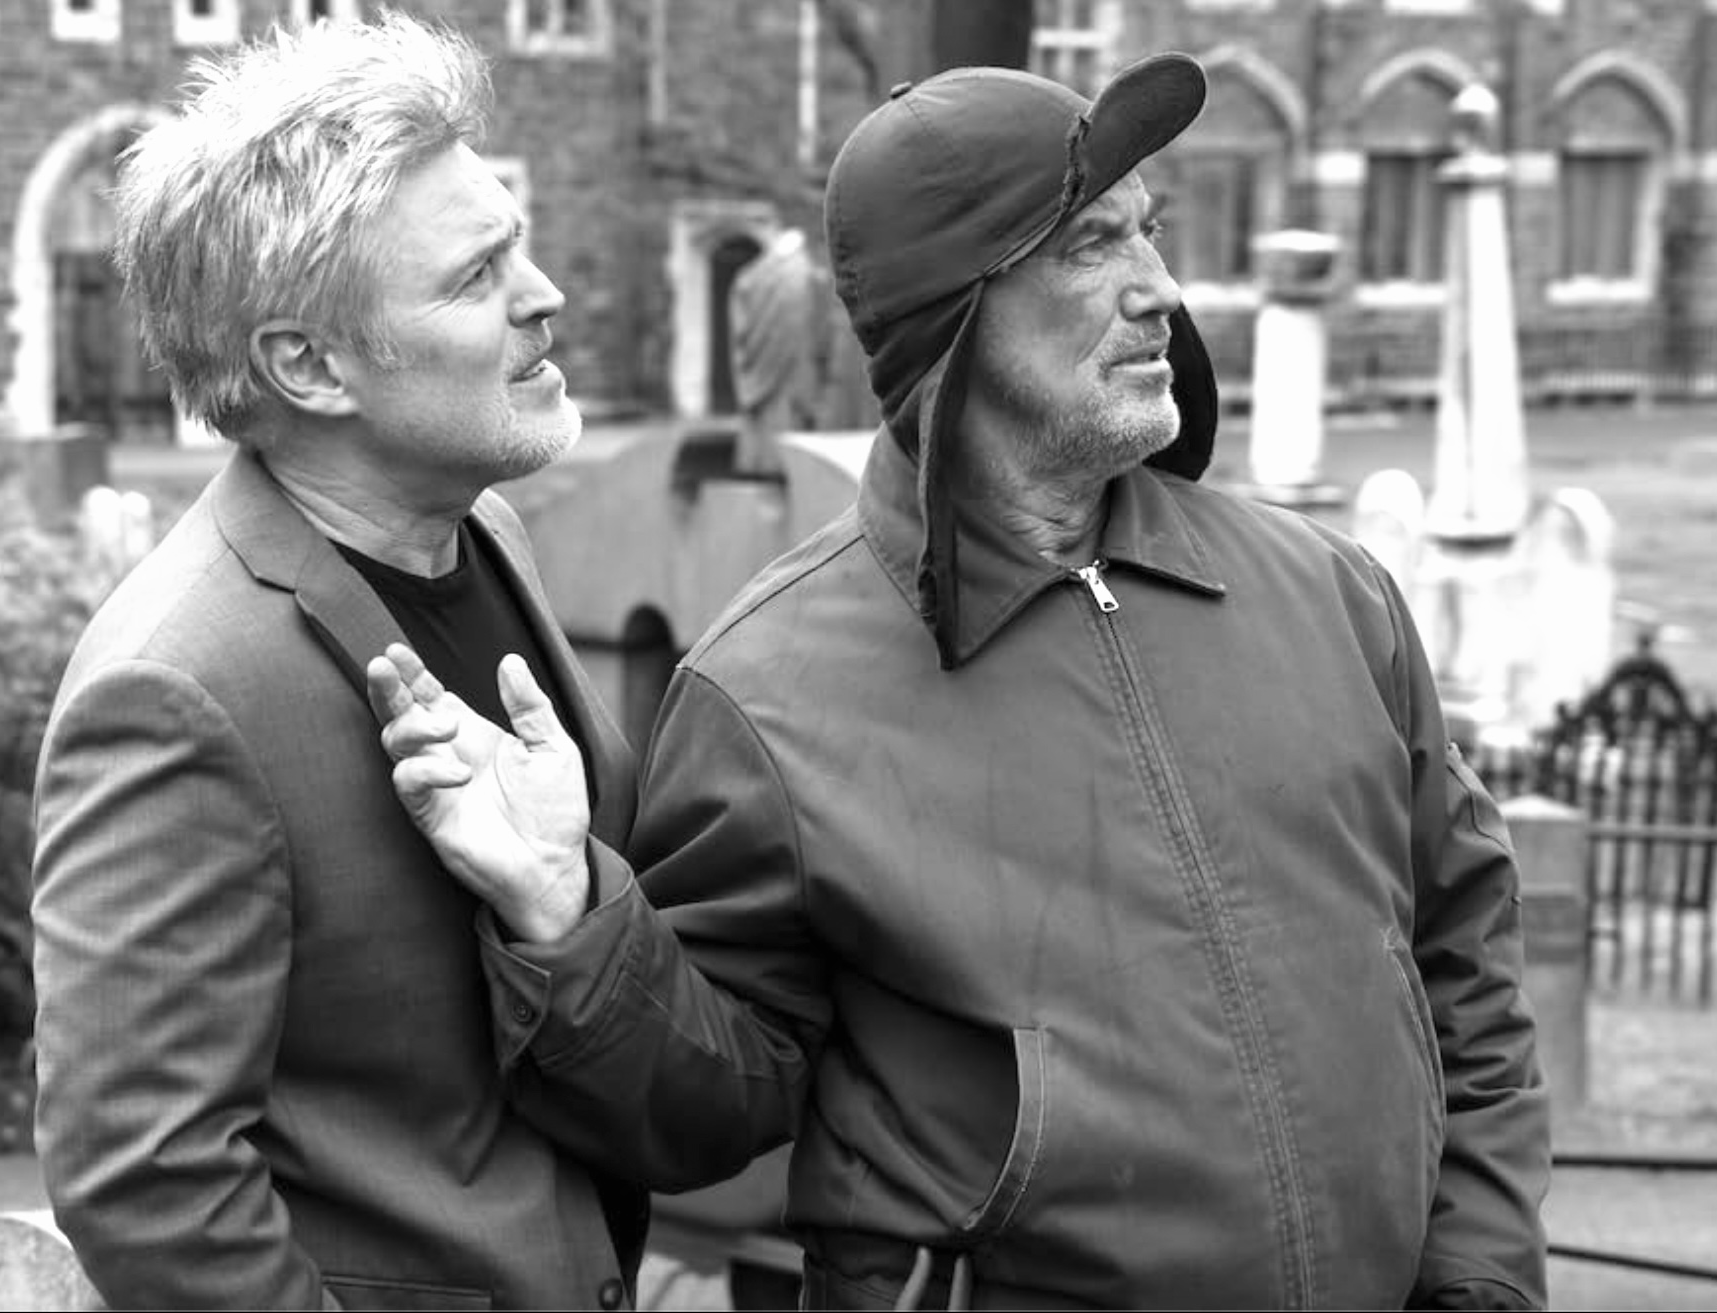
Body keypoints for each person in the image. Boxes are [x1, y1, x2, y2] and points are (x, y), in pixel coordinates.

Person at [370, 55, 1551, 1311]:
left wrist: (1477, 1278)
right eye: (1090, 245)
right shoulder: (767, 692)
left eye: (1148, 231)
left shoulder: (1330, 592)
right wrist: (564, 917)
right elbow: (707, 1110)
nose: (1160, 290)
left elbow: (1461, 953)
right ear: (951, 315)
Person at [28, 13, 646, 1310]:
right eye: (475, 278)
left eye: (518, 245)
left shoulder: (488, 532)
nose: (545, 295)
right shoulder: (178, 684)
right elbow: (146, 1181)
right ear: (307, 365)